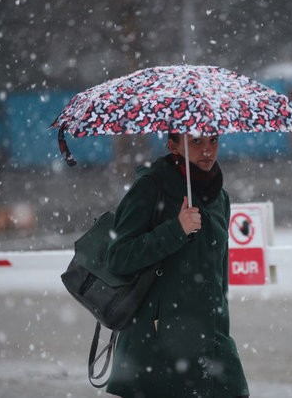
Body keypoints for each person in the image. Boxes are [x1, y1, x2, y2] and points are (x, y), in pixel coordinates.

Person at [105, 133, 250, 398]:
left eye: (213, 140)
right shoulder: (150, 187)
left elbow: (219, 273)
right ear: (173, 145)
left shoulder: (220, 198)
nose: (207, 150)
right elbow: (118, 257)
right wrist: (176, 230)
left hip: (212, 341)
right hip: (156, 342)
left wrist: (221, 327)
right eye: (196, 141)